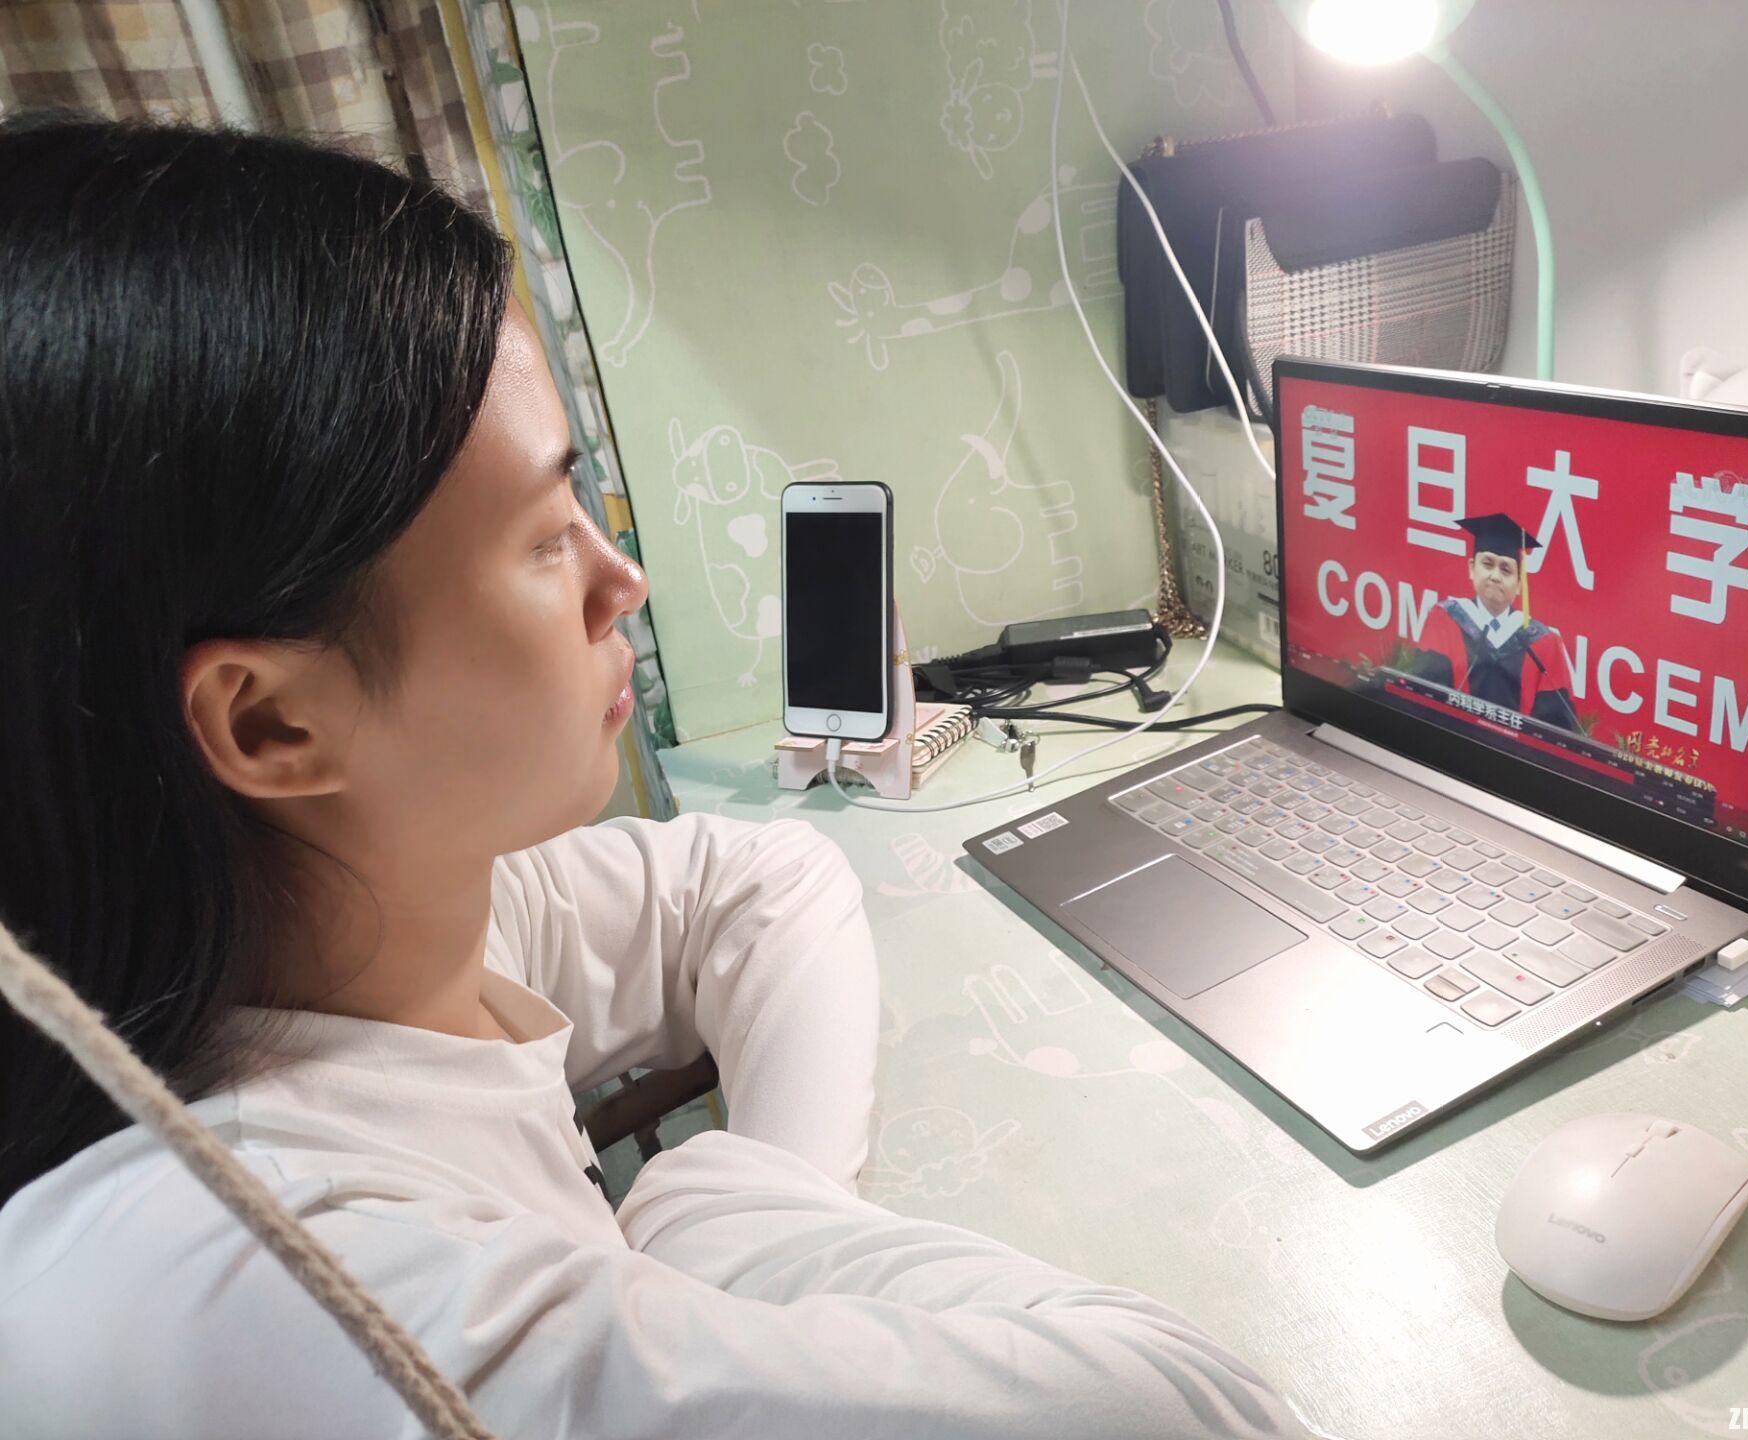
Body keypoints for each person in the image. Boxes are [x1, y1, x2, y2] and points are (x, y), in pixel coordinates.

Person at [0, 115, 1293, 1439]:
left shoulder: (372, 934)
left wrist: (781, 1186)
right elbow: (1196, 1412)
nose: (621, 580)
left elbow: (759, 880)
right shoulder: (282, 1308)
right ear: (272, 724)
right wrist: (718, 1219)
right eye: (541, 538)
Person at [1405, 512, 1580, 731]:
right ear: (1472, 569)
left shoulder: (1543, 643)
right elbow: (1425, 697)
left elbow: (1556, 726)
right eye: (1487, 564)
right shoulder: (1445, 619)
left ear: (1519, 584)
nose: (1495, 576)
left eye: (1506, 569)